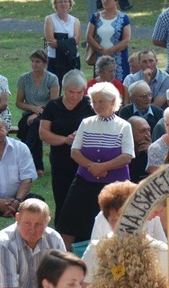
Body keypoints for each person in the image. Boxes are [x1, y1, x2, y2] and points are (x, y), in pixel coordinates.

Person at [57, 82, 134, 247]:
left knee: (116, 220)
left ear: (113, 101)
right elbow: (75, 151)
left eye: (101, 101)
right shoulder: (86, 123)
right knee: (70, 220)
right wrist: (92, 166)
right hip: (85, 178)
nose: (97, 105)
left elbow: (127, 156)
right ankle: (65, 256)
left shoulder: (124, 126)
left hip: (115, 184)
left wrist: (104, 167)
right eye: (94, 101)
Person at [39, 70, 95, 223]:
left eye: (80, 92)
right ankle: (62, 235)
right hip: (61, 161)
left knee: (84, 201)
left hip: (84, 161)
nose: (75, 96)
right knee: (62, 200)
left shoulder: (89, 105)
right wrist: (65, 140)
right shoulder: (53, 106)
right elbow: (43, 133)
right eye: (71, 92)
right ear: (64, 89)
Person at [16, 48, 60, 176]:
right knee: (30, 124)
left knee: (35, 123)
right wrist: (33, 109)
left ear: (45, 63)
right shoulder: (24, 78)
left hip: (48, 114)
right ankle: (37, 166)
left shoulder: (52, 78)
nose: (34, 64)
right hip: (29, 114)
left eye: (38, 61)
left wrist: (38, 113)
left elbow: (54, 103)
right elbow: (19, 103)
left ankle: (25, 155)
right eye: (33, 61)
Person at [87, 0, 131, 83]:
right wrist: (100, 49)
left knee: (120, 84)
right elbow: (89, 36)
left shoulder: (124, 18)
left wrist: (111, 50)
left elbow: (126, 39)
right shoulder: (96, 17)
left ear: (116, 1)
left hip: (119, 58)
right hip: (100, 57)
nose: (105, 1)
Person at [44, 0, 80, 86]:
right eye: (60, 2)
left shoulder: (75, 21)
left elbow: (76, 40)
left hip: (71, 58)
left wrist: (59, 42)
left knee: (73, 85)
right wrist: (68, 42)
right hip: (55, 59)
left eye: (66, 1)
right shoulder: (50, 19)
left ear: (70, 4)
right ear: (55, 4)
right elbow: (51, 41)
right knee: (54, 86)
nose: (63, 4)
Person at [127, 116, 152, 183]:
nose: (148, 134)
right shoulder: (124, 152)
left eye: (149, 130)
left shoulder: (153, 150)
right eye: (142, 131)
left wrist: (151, 152)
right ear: (130, 133)